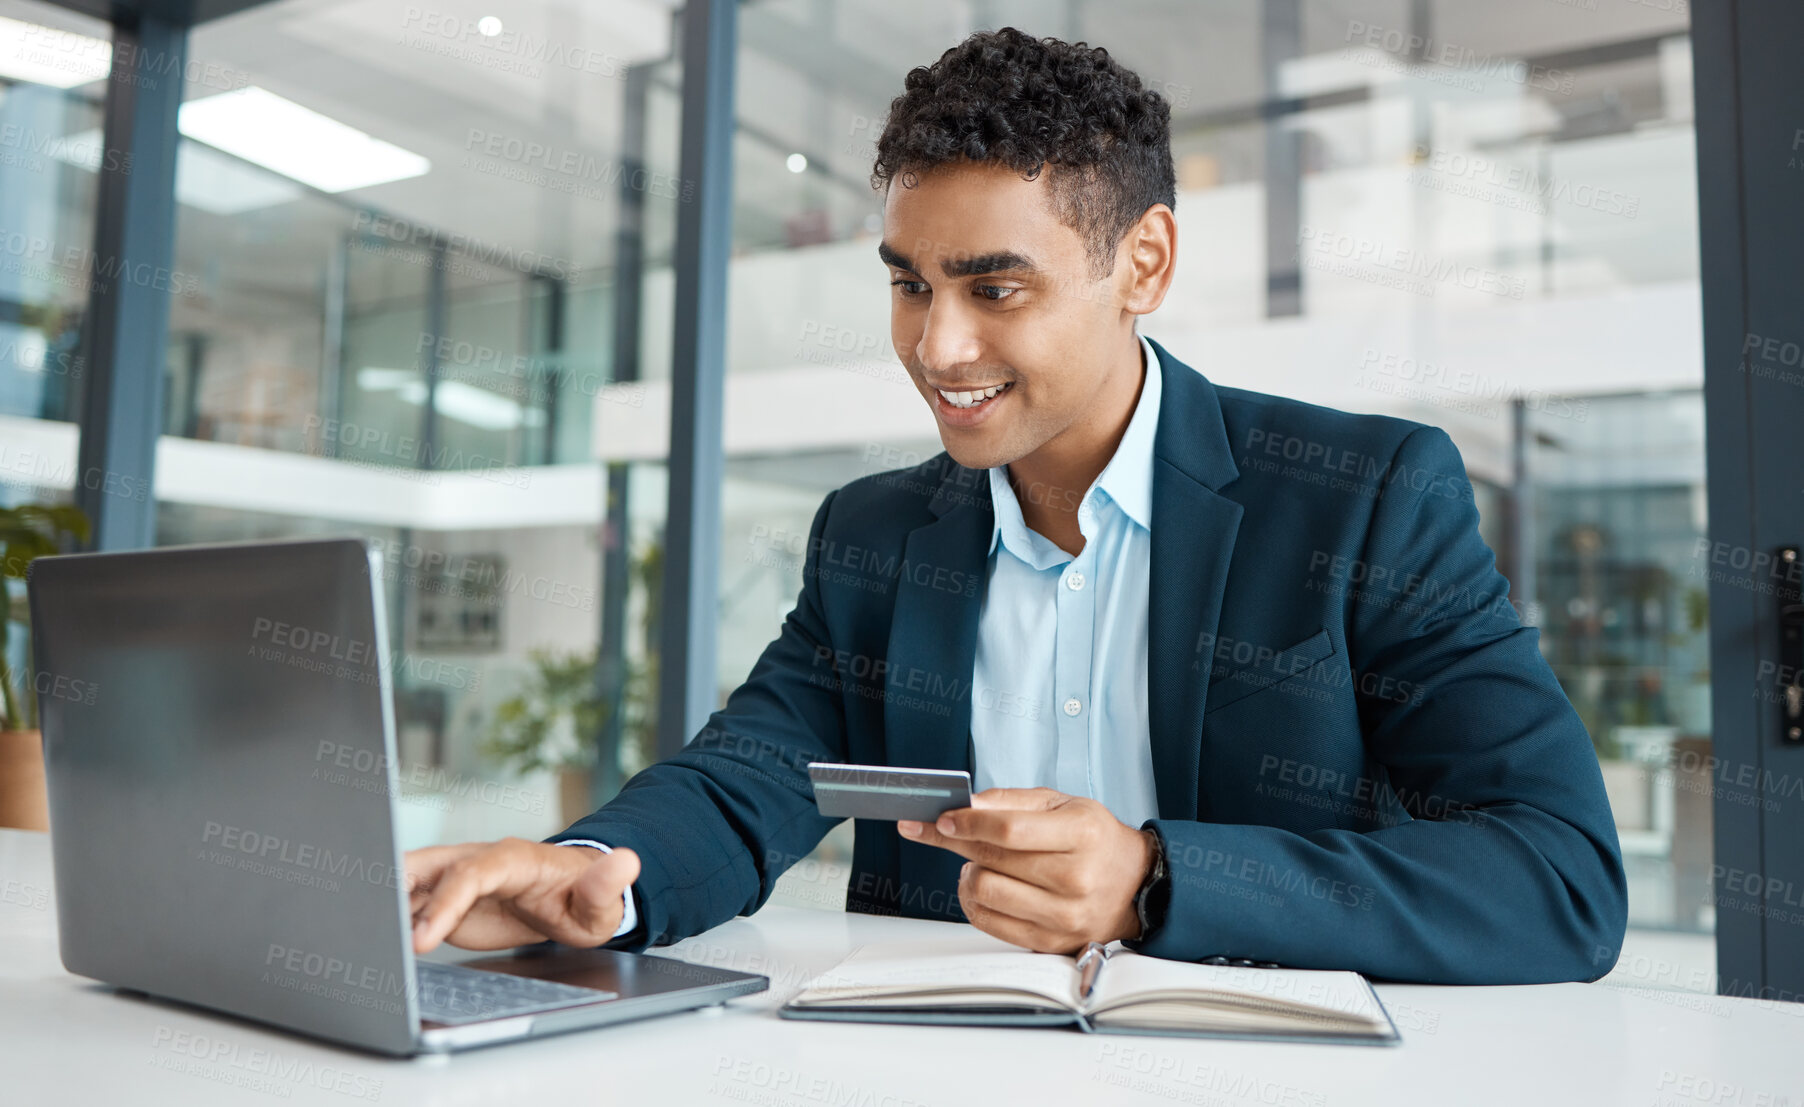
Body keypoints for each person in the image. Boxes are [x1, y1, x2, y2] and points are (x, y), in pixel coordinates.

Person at [405, 27, 1626, 985]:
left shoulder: (1363, 498)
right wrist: (584, 874)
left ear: (1141, 263)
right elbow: (750, 777)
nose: (937, 347)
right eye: (909, 286)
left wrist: (1157, 880)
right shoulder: (876, 537)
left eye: (996, 288)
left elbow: (1555, 875)